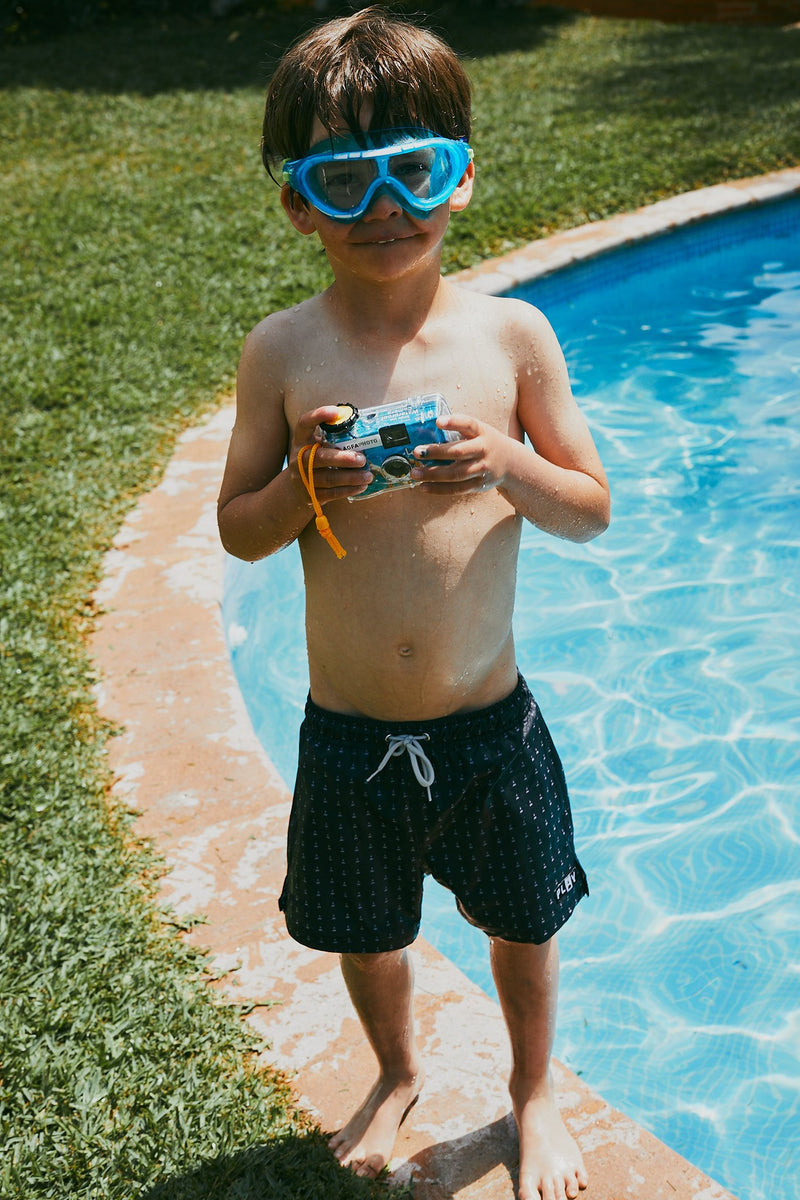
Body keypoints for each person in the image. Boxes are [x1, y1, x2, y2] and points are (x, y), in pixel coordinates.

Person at [217, 8, 610, 1199]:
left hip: (490, 727)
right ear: (298, 206)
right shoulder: (281, 353)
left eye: (416, 172)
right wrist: (298, 486)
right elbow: (239, 535)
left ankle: (531, 1093)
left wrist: (504, 463)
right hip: (348, 734)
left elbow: (588, 507)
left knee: (524, 930)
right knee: (367, 931)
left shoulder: (510, 336)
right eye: (344, 179)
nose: (385, 206)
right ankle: (394, 1070)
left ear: (461, 179)